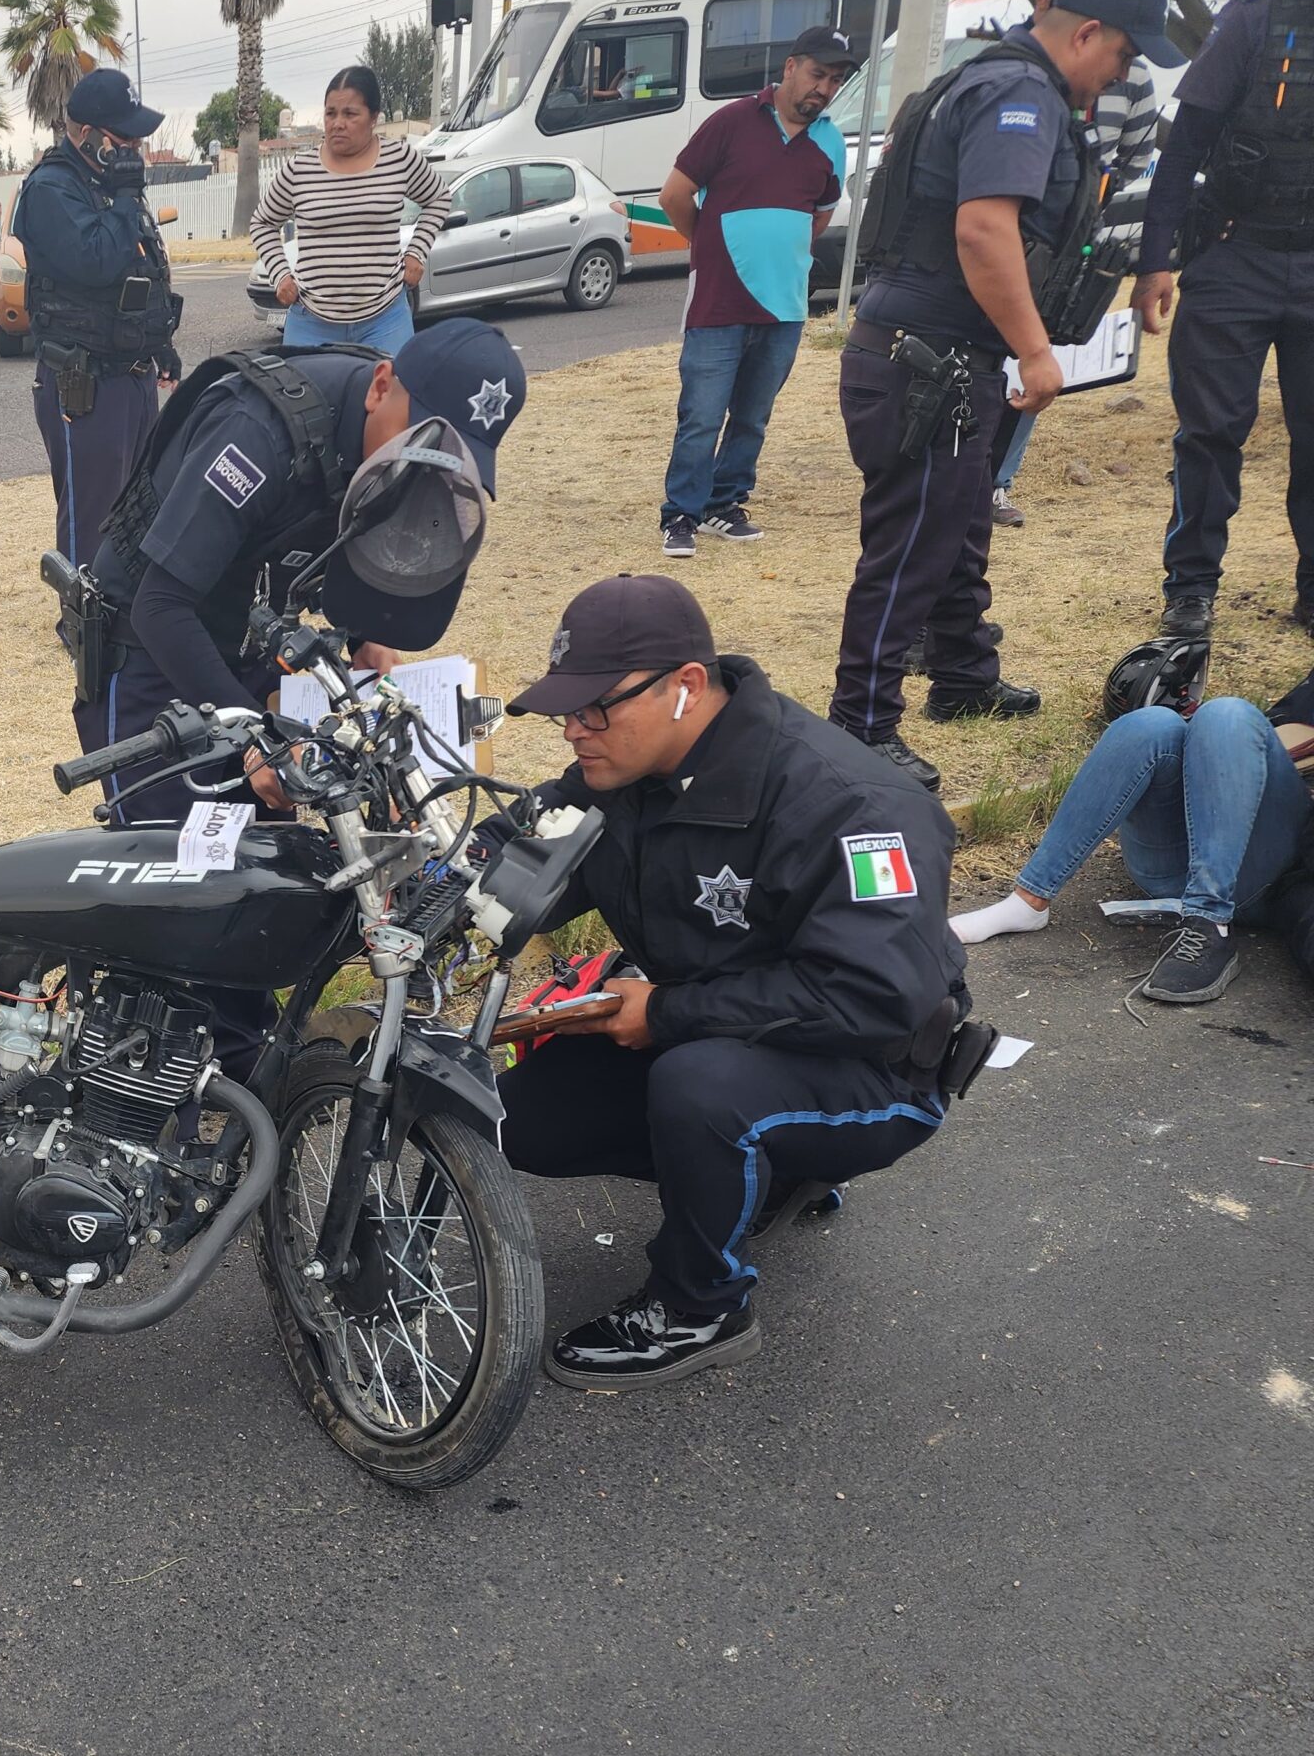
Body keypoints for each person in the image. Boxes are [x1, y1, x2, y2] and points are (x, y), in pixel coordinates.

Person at [494, 574, 968, 1389]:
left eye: (596, 707)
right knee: (527, 1116)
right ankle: (773, 1175)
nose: (574, 730)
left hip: (880, 1069)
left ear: (684, 687)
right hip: (725, 1032)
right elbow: (525, 856)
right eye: (565, 711)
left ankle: (701, 1304)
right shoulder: (626, 773)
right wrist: (427, 877)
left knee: (701, 1088)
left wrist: (669, 1012)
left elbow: (876, 999)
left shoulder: (850, 802)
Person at [65, 321, 524, 1063]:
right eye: (423, 442)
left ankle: (241, 1060)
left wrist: (370, 639)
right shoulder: (259, 431)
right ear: (382, 387)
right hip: (146, 653)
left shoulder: (385, 443)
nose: (425, 473)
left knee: (259, 860)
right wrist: (254, 737)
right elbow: (160, 607)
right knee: (180, 878)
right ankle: (146, 1090)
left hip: (245, 640)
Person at [825, 0, 1179, 792]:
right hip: (928, 360)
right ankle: (862, 727)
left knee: (955, 525)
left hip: (938, 356)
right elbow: (984, 229)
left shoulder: (994, 79)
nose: (1122, 76)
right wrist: (1038, 351)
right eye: (1123, 55)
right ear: (1086, 34)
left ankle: (963, 677)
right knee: (910, 545)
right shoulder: (1019, 94)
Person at [950, 664, 1314, 1001]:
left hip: (1276, 876)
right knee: (1151, 724)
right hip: (1175, 866)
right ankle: (1027, 901)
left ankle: (1208, 923)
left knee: (1228, 714)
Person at [1134, 0, 1314, 638]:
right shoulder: (1254, 19)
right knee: (1209, 436)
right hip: (1237, 254)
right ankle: (1190, 591)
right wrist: (1156, 261)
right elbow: (1181, 151)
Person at [656, 25, 854, 558]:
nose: (824, 88)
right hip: (719, 301)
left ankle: (725, 503)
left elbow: (821, 213)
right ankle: (681, 515)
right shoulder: (731, 122)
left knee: (752, 415)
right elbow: (674, 195)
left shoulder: (830, 139)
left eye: (835, 80)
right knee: (701, 414)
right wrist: (709, 242)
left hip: (785, 307)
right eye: (817, 74)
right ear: (790, 67)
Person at [986, 23, 1159, 533]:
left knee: (1036, 357)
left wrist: (1091, 209)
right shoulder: (1021, 75)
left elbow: (1136, 157)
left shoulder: (1136, 78)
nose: (1120, 69)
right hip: (1012, 230)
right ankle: (958, 465)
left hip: (1071, 245)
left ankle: (997, 480)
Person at [14, 67, 181, 571]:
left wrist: (158, 344)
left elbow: (141, 272)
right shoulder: (51, 189)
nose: (136, 148)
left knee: (138, 506)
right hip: (82, 384)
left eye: (138, 139)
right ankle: (83, 631)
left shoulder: (109, 183)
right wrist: (128, 197)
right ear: (86, 135)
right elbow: (97, 261)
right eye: (125, 137)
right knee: (91, 519)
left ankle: (124, 618)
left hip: (132, 374)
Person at [250, 65, 449, 355]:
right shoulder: (300, 170)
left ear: (374, 118)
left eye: (350, 114)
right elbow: (262, 223)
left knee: (391, 397)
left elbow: (439, 198)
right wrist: (281, 274)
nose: (337, 123)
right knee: (306, 400)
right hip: (311, 322)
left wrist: (417, 252)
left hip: (386, 320)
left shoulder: (399, 159)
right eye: (330, 113)